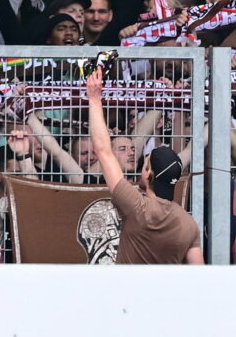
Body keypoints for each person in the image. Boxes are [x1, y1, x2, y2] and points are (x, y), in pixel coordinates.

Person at [83, 65, 201, 265]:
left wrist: (94, 98)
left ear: (148, 174)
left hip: (129, 295)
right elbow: (200, 273)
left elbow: (103, 151)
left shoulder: (137, 206)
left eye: (144, 164)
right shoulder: (188, 224)